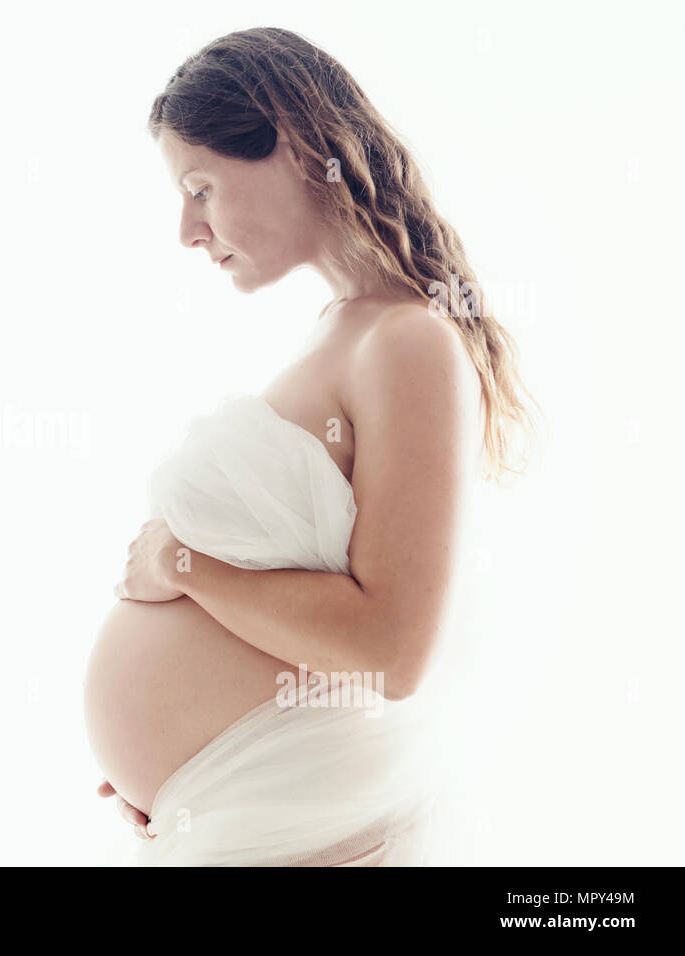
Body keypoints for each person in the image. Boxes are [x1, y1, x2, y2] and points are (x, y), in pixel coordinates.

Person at [84, 26, 542, 865]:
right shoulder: (339, 336)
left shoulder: (407, 342)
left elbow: (392, 651)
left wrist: (179, 567)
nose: (187, 230)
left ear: (293, 149)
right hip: (251, 821)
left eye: (200, 188)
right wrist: (187, 780)